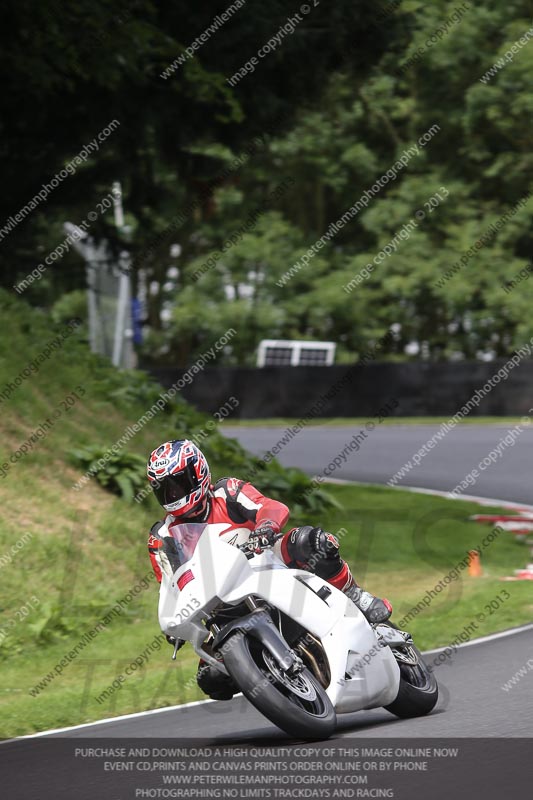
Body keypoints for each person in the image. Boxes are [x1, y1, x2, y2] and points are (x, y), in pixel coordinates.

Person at [146, 439, 392, 700]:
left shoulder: (227, 491)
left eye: (178, 484)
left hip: (264, 562)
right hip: (218, 601)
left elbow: (271, 506)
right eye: (165, 490)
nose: (173, 495)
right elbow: (169, 584)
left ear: (199, 473)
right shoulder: (162, 536)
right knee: (211, 679)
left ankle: (355, 594)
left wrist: (265, 527)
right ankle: (270, 681)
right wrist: (176, 625)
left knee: (311, 542)